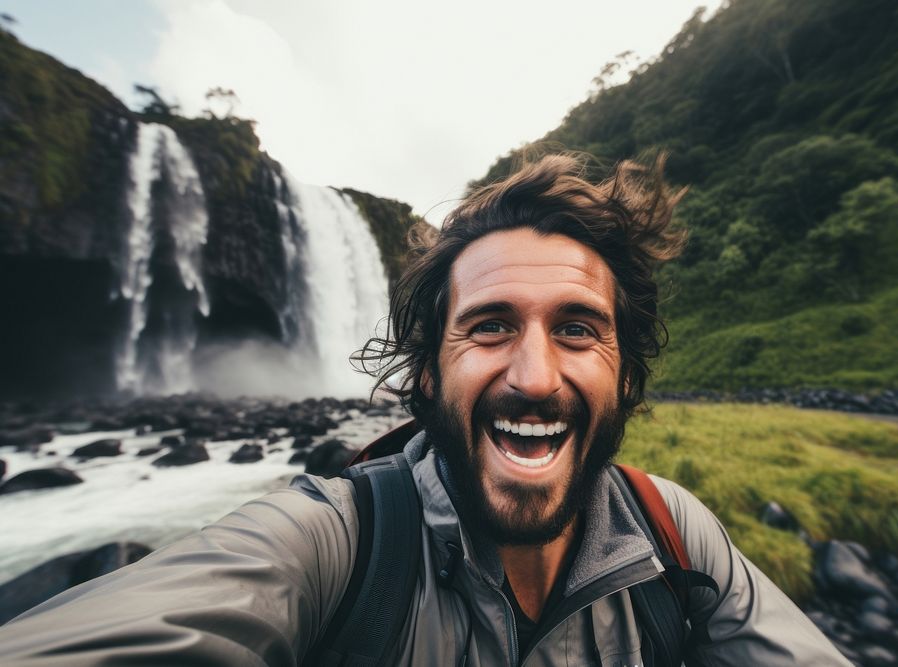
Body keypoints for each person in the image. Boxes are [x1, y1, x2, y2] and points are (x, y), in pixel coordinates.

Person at [0, 155, 850, 665]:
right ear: (425, 372)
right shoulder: (332, 547)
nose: (535, 375)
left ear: (627, 376)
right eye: (488, 327)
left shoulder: (676, 537)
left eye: (579, 329)